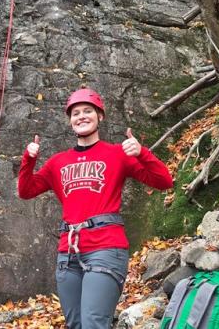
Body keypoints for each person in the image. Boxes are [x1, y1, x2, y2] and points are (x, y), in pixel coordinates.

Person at [18, 88, 173, 329]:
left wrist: (142, 153)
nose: (81, 116)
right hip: (68, 251)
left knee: (93, 324)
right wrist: (29, 161)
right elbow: (26, 191)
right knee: (76, 324)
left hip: (106, 247)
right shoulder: (57, 162)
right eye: (75, 113)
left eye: (87, 111)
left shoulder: (117, 154)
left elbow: (164, 181)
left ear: (100, 116)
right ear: (70, 121)